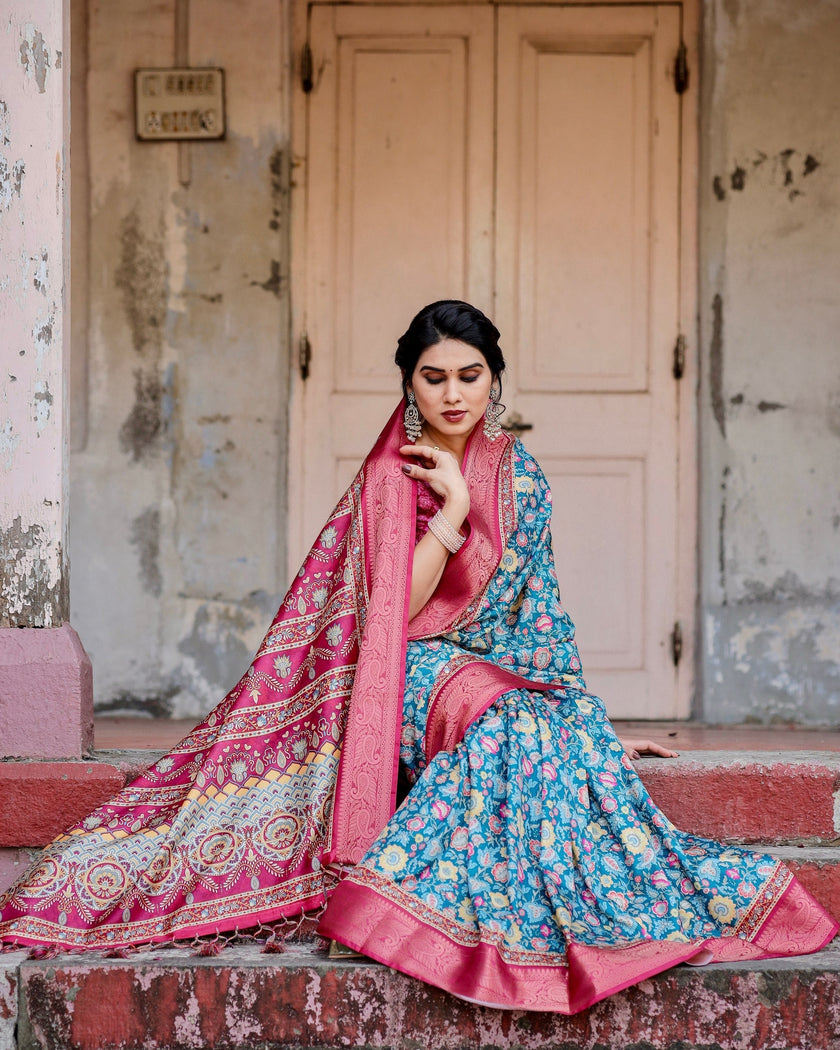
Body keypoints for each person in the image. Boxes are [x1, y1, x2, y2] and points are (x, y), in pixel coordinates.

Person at [0, 301, 835, 1014]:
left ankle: (538, 914)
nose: (453, 394)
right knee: (512, 720)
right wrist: (453, 511)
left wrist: (591, 725)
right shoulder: (388, 477)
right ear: (409, 384)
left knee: (542, 721)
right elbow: (391, 617)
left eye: (470, 375)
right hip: (401, 675)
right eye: (434, 377)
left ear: (494, 379)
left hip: (496, 673)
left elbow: (539, 615)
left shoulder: (524, 474)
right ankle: (410, 910)